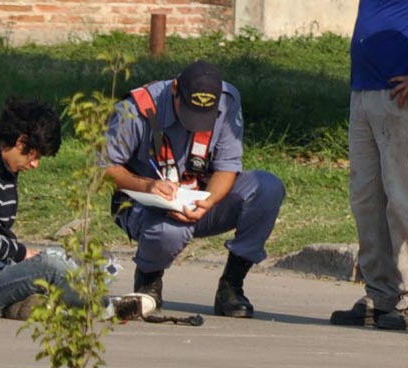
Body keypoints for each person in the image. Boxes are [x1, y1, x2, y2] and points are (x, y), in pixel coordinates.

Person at [0, 98, 152, 320]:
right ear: (21, 142)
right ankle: (107, 309)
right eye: (35, 156)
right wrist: (23, 255)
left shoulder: (3, 167)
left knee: (92, 258)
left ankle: (38, 306)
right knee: (50, 265)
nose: (35, 164)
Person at [104, 60, 285, 318]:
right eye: (188, 111)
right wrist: (146, 185)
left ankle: (231, 285)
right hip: (144, 205)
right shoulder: (136, 108)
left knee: (267, 188)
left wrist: (209, 202)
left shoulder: (228, 100)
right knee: (170, 232)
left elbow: (228, 166)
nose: (195, 123)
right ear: (175, 89)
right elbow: (104, 169)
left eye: (205, 117)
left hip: (197, 198)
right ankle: (149, 279)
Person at [330, 0, 408, 331]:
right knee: (366, 198)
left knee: (406, 196)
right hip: (365, 90)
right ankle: (380, 293)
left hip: (404, 93)